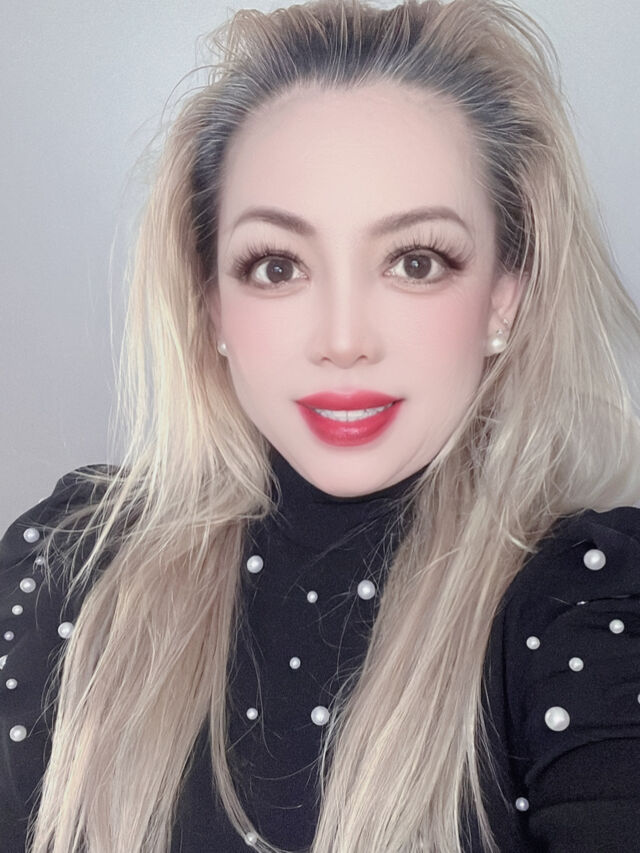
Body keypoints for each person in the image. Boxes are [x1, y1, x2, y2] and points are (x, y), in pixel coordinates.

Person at [1, 0, 639, 850]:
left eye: (415, 261)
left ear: (502, 299)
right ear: (211, 303)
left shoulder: (582, 608)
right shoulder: (70, 565)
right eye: (277, 266)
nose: (343, 340)